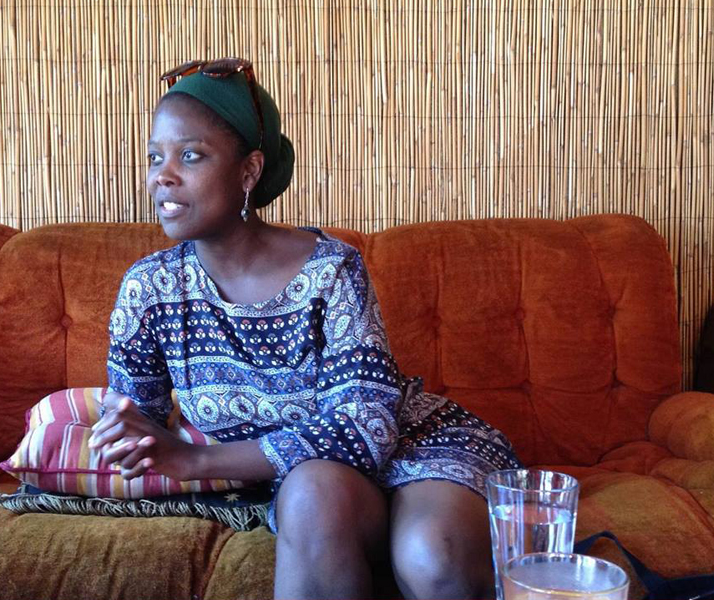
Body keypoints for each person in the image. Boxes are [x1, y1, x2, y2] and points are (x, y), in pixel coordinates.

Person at [88, 58, 522, 599]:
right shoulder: (150, 289)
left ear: (248, 172)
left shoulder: (330, 268)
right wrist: (123, 432)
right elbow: (136, 422)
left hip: (418, 449)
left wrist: (198, 459)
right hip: (318, 485)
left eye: (190, 155)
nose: (162, 175)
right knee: (313, 491)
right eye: (155, 157)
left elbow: (366, 427)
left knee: (432, 560)